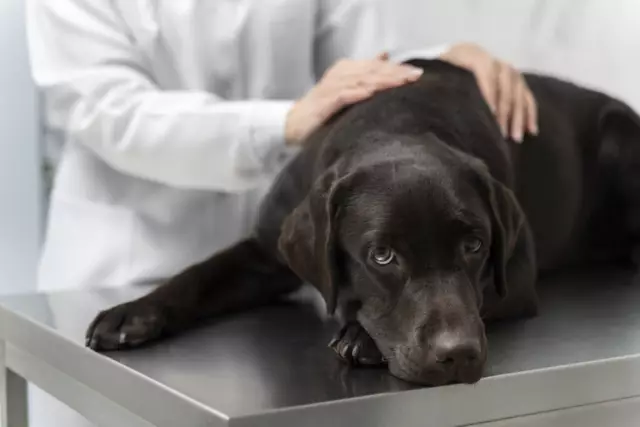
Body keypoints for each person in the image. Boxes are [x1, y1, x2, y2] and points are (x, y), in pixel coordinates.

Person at [26, 0, 537, 425]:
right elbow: (108, 110)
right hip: (125, 256)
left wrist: (442, 59)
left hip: (280, 279)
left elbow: (371, 59)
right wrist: (283, 123)